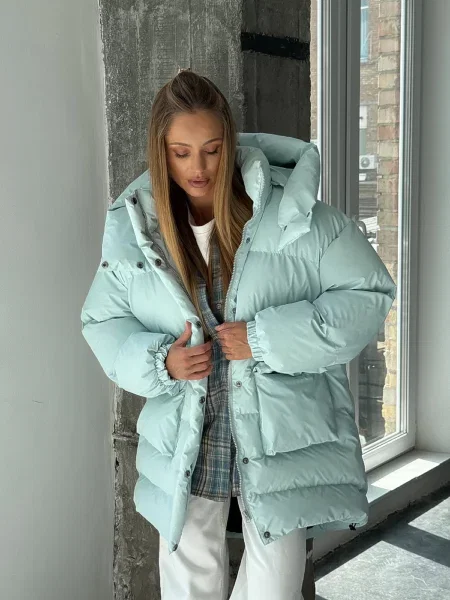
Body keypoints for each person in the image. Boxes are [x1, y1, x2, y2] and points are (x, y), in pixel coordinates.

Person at [80, 69, 396, 600]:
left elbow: (368, 293)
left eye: (212, 149)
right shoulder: (136, 230)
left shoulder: (296, 216)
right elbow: (102, 321)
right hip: (189, 434)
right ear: (161, 152)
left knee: (275, 585)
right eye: (181, 153)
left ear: (229, 141)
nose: (198, 168)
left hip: (281, 434)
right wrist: (160, 362)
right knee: (188, 581)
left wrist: (267, 339)